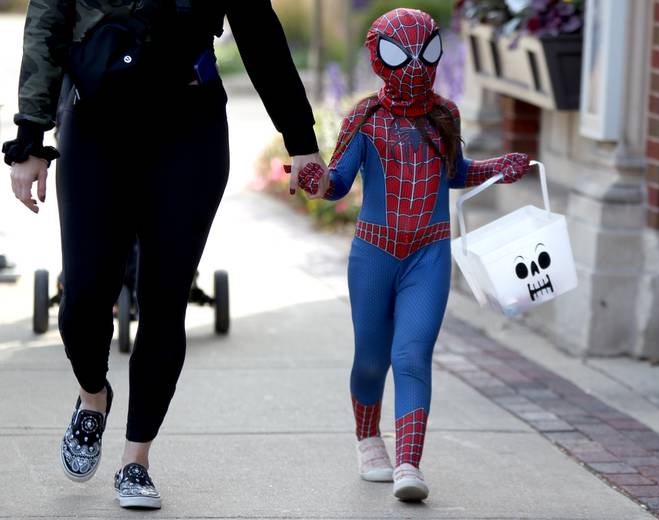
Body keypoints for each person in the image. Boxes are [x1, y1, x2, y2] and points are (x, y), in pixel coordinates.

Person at [3, 0, 327, 509]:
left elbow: (258, 30)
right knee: (85, 294)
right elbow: (47, 20)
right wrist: (29, 135)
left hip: (188, 129)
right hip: (95, 124)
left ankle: (136, 461)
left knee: (164, 297)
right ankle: (94, 397)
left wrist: (301, 139)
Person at [296, 8, 531, 502]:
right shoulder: (365, 117)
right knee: (371, 359)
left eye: (426, 52)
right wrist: (317, 183)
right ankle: (367, 439)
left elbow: (453, 171)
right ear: (379, 56)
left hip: (428, 251)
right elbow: (339, 183)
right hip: (374, 253)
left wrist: (497, 167)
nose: (416, 66)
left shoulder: (444, 114)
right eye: (400, 55)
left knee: (412, 354)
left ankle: (409, 463)